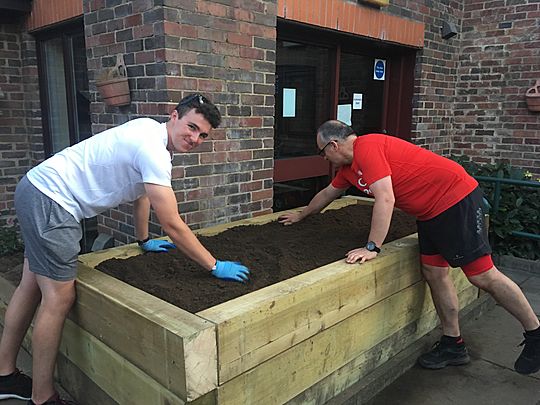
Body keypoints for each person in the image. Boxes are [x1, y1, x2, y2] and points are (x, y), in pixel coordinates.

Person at [0, 94, 250, 405]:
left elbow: (142, 193)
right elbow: (172, 224)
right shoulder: (154, 151)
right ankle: (43, 397)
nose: (195, 138)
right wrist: (213, 265)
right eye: (192, 127)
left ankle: (5, 376)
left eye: (203, 135)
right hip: (53, 203)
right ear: (174, 116)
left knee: (30, 284)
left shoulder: (148, 131)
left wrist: (143, 239)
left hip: (35, 190)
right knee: (59, 297)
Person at [278, 119, 540, 375]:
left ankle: (535, 333)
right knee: (434, 273)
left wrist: (372, 247)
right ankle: (453, 344)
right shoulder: (349, 169)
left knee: (483, 275)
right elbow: (327, 194)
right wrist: (301, 215)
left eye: (322, 152)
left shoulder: (367, 148)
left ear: (333, 145)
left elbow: (386, 198)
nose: (323, 159)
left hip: (455, 199)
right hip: (430, 213)